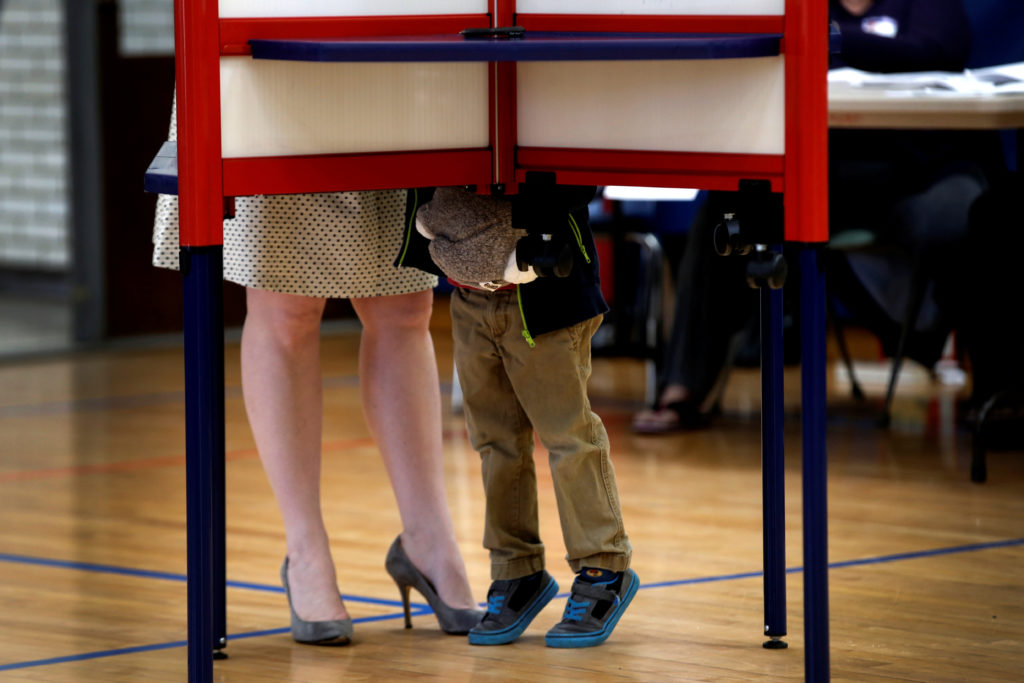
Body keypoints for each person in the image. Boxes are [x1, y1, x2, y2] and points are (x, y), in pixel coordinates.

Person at [152, 101, 482, 645]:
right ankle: (305, 551)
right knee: (286, 309)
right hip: (271, 62)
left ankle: (430, 542)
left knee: (405, 306)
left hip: (385, 66)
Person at [632, 0, 1003, 433]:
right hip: (821, 178)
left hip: (915, 177)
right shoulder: (806, 5)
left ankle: (989, 389)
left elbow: (936, 50)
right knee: (728, 208)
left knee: (972, 216)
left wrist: (831, 39)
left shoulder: (921, 5)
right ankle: (683, 389)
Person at [395, 184, 638, 648]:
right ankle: (516, 570)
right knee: (495, 442)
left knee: (568, 437)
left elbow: (582, 182)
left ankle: (604, 566)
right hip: (471, 297)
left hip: (546, 298)